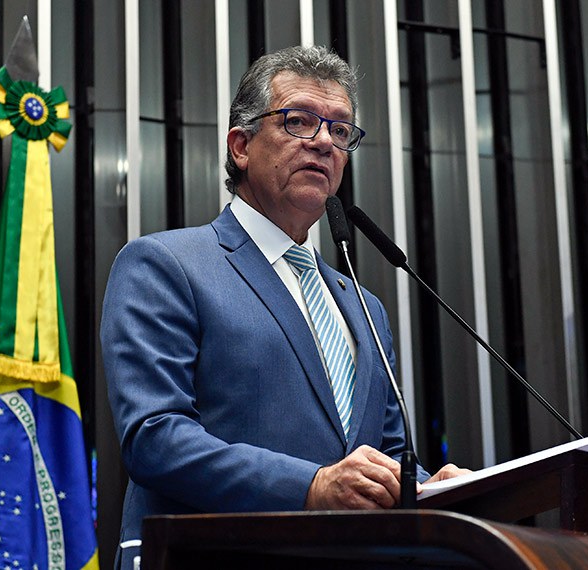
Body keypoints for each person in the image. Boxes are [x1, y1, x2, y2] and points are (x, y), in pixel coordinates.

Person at [100, 45, 468, 569]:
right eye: (299, 121)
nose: (323, 142)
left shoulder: (364, 306)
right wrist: (310, 486)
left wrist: (435, 489)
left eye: (340, 130)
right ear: (241, 146)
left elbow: (385, 454)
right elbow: (155, 439)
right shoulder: (165, 265)